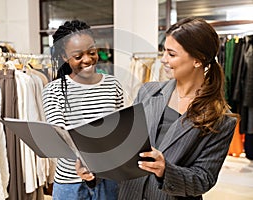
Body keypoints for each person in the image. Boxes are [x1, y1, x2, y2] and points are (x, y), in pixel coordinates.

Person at [117, 17, 240, 199]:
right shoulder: (148, 92)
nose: (163, 60)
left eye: (171, 54)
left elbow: (203, 179)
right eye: (163, 51)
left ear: (198, 60)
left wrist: (165, 170)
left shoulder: (221, 119)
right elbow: (126, 145)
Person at [42, 20, 124, 200]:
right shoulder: (54, 90)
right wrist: (83, 164)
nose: (87, 60)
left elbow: (119, 129)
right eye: (78, 56)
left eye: (92, 52)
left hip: (109, 179)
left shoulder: (112, 84)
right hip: (70, 183)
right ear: (64, 56)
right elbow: (61, 138)